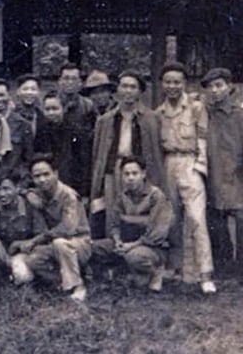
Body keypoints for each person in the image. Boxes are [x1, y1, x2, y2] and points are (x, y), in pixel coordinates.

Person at [202, 67, 243, 289]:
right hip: (214, 179)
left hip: (239, 181)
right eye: (211, 86)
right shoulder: (205, 112)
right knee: (216, 225)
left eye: (219, 85)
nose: (215, 90)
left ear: (230, 87)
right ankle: (223, 271)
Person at [155, 62, 216, 292]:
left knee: (197, 218)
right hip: (168, 164)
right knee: (171, 220)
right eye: (168, 82)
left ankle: (205, 273)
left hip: (190, 163)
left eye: (177, 82)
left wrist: (200, 169)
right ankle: (176, 270)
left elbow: (203, 139)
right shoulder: (159, 113)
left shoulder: (197, 108)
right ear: (162, 84)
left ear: (184, 83)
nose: (172, 86)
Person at [90, 70, 165, 240]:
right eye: (124, 86)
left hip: (137, 171)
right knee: (112, 213)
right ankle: (113, 253)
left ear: (140, 92)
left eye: (133, 87)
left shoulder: (152, 118)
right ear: (118, 90)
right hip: (113, 170)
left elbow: (155, 152)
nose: (128, 91)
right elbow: (98, 155)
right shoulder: (105, 120)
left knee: (136, 213)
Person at [13, 156, 92, 302]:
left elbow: (67, 229)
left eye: (46, 174)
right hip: (54, 244)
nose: (42, 180)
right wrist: (27, 193)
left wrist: (36, 240)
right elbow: (18, 188)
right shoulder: (39, 193)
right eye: (37, 176)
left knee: (59, 243)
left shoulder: (69, 196)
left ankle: (78, 286)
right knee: (32, 259)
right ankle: (61, 283)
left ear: (55, 173)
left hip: (79, 243)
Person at [93, 157, 174, 292]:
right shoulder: (122, 197)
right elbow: (115, 225)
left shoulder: (156, 196)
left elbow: (156, 233)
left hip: (153, 248)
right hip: (126, 243)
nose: (130, 178)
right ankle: (111, 279)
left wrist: (132, 245)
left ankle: (155, 272)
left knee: (134, 257)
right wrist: (117, 240)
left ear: (143, 174)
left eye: (135, 173)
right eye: (127, 174)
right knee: (95, 247)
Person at [57, 63, 96, 197]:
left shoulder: (88, 106)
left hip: (80, 160)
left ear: (80, 83)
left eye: (73, 79)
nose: (69, 82)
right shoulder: (53, 104)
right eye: (66, 78)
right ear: (60, 81)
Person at [34, 92, 77, 190]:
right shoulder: (41, 131)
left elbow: (82, 162)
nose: (51, 113)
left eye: (55, 109)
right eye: (47, 109)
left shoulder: (75, 131)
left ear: (63, 109)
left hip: (71, 181)